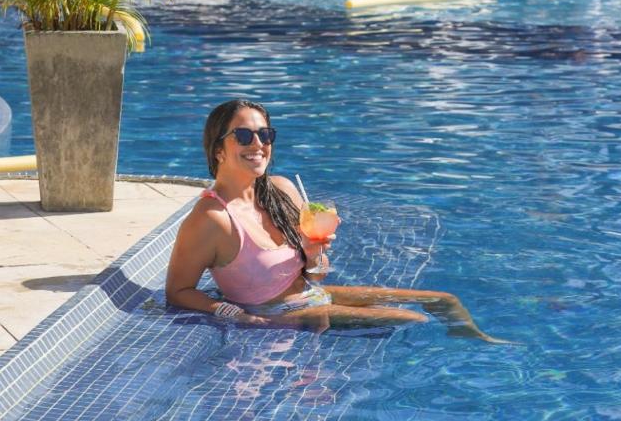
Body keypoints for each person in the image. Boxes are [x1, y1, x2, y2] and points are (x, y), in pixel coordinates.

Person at [165, 98, 507, 342]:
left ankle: (480, 345)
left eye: (265, 135)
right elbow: (178, 292)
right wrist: (236, 315)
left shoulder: (281, 190)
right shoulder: (212, 219)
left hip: (313, 294)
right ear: (218, 149)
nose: (258, 144)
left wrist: (314, 254)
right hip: (278, 314)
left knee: (443, 300)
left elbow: (315, 275)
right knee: (414, 319)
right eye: (243, 136)